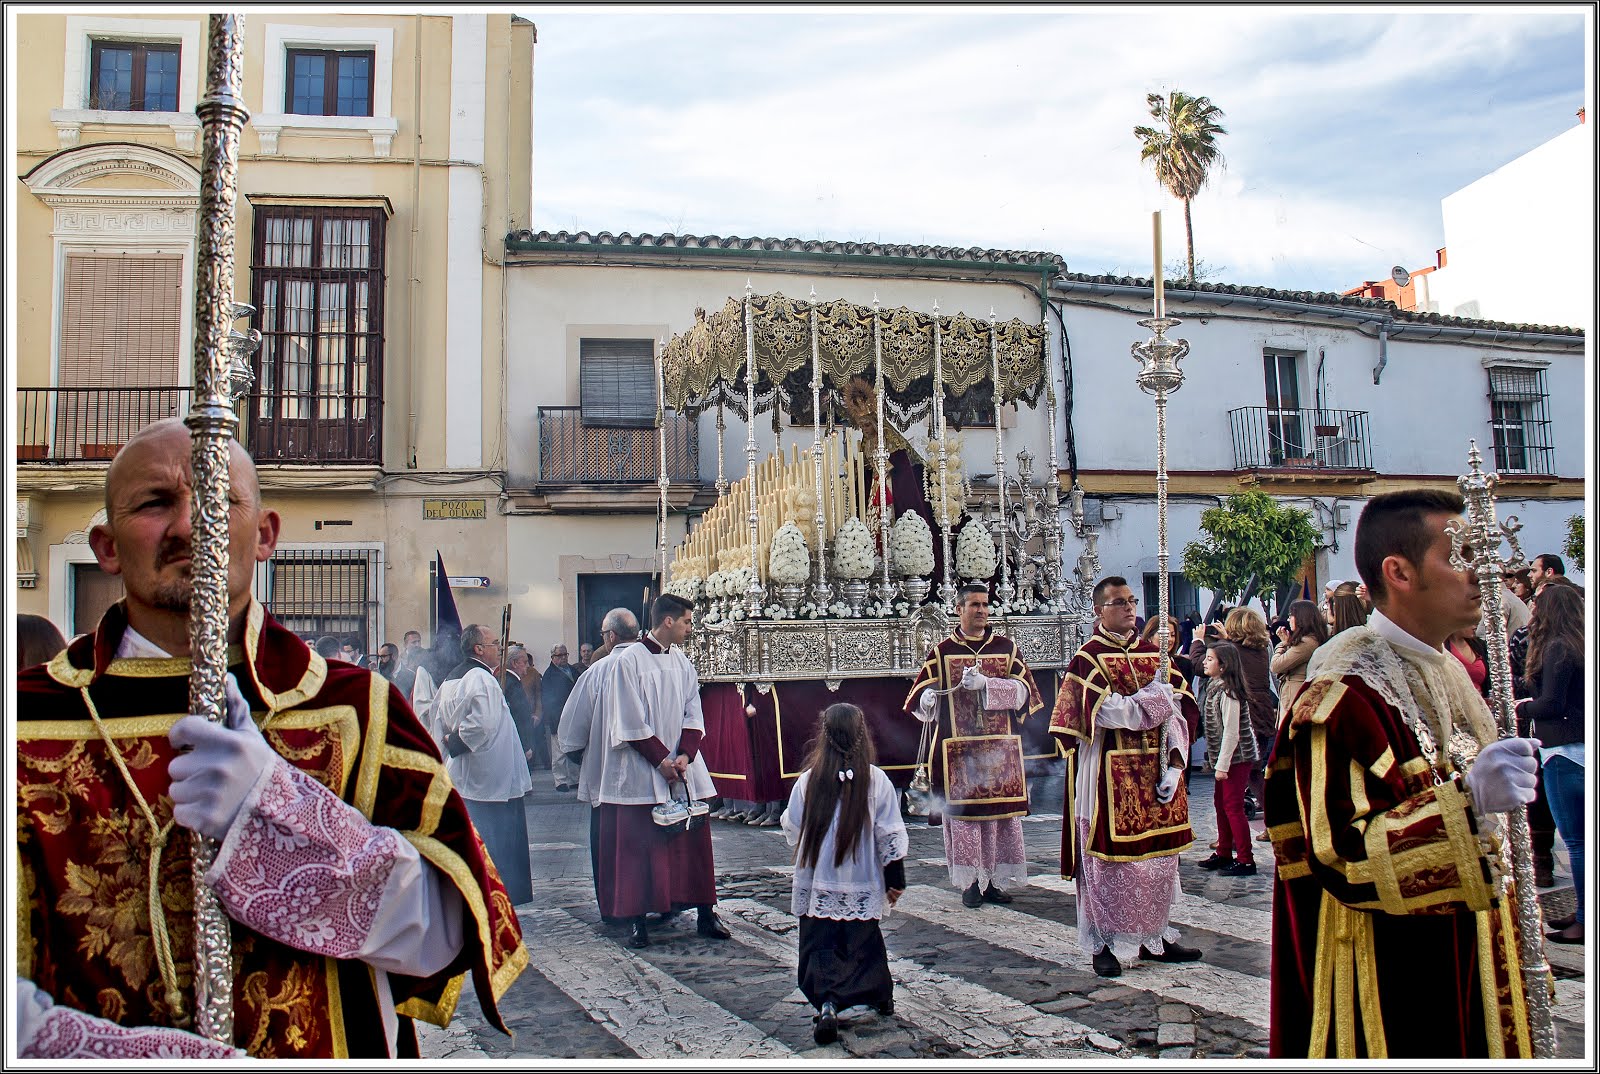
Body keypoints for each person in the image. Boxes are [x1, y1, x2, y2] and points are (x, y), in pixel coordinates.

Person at [15, 418, 525, 1058]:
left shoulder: (354, 708)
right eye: (155, 503)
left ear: (265, 535)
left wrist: (280, 817)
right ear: (107, 546)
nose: (188, 525)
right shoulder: (26, 721)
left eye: (218, 498)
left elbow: (444, 933)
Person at [1265, 489, 1541, 1057]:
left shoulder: (1449, 673)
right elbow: (1340, 854)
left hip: (1476, 957)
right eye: (1462, 555)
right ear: (1399, 571)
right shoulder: (1343, 695)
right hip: (1396, 981)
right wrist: (1465, 804)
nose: (1484, 572)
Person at [1050, 576, 1203, 978]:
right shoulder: (1088, 658)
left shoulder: (1156, 655)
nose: (1130, 608)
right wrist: (1153, 701)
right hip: (1105, 773)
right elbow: (1106, 712)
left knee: (1158, 862)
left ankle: (1157, 935)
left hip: (1154, 774)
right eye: (1119, 602)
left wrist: (1175, 764)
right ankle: (1102, 942)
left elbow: (1179, 716)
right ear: (1100, 610)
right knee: (1106, 865)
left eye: (1133, 600)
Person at [594, 593, 729, 949]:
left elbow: (693, 711)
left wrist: (685, 755)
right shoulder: (629, 662)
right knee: (639, 845)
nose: (690, 628)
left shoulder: (682, 661)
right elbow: (629, 718)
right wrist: (661, 761)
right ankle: (637, 918)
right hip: (643, 768)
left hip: (680, 768)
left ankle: (705, 912)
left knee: (694, 845)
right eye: (686, 621)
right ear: (668, 621)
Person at [904, 583, 1042, 909]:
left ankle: (994, 879)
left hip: (998, 749)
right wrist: (927, 698)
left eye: (985, 604)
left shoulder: (1005, 648)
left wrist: (989, 685)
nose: (981, 610)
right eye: (974, 605)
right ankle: (969, 882)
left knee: (999, 818)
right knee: (966, 818)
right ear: (959, 609)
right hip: (959, 752)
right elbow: (922, 697)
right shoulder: (943, 651)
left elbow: (1026, 694)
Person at [782, 702, 909, 1046]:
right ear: (861, 735)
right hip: (861, 881)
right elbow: (890, 835)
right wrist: (895, 879)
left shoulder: (809, 781)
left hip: (818, 879)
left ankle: (826, 1003)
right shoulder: (876, 780)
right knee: (862, 941)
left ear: (824, 736)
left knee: (820, 943)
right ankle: (879, 995)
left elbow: (792, 826)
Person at [434, 624, 536, 906]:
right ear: (478, 649)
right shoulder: (481, 678)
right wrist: (455, 742)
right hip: (490, 778)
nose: (499, 649)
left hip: (469, 775)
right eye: (494, 644)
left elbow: (437, 718)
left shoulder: (451, 678)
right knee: (496, 841)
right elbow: (481, 725)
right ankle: (496, 896)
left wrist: (448, 741)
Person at [557, 608, 642, 918]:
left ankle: (615, 906)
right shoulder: (657, 666)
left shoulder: (598, 671)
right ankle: (657, 903)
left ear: (610, 636)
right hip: (653, 777)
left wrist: (578, 755)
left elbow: (571, 729)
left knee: (610, 847)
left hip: (607, 776)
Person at [1515, 582, 1585, 944]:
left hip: (1563, 750)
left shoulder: (1558, 647)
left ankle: (1586, 920)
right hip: (1582, 747)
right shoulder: (1581, 642)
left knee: (1576, 842)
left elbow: (1552, 704)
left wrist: (1521, 706)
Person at [1195, 641, 1260, 876]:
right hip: (1225, 758)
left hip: (1236, 758)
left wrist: (1222, 765)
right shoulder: (1214, 688)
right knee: (1221, 805)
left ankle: (1245, 858)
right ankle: (1223, 851)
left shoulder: (1229, 693)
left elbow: (1232, 732)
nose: (1205, 662)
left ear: (1223, 666)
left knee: (1233, 806)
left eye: (1210, 659)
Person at [1224, 607, 1276, 821]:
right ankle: (1273, 818)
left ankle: (1242, 821)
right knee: (1253, 770)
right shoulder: (1263, 648)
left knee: (1241, 771)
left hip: (1245, 713)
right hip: (1262, 710)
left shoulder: (1233, 650)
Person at [1271, 599, 1327, 723]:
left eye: (1291, 615)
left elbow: (1276, 666)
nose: (1288, 619)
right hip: (1295, 696)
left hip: (1295, 696)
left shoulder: (1306, 643)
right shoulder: (1312, 639)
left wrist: (1282, 644)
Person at [542, 643, 581, 789]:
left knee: (574, 748)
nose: (564, 658)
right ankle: (561, 780)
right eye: (560, 655)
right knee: (559, 752)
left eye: (565, 654)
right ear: (553, 657)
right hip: (558, 717)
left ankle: (574, 778)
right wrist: (552, 720)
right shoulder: (549, 675)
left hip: (573, 717)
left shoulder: (572, 670)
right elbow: (547, 700)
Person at [503, 643, 541, 774]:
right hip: (516, 743)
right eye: (524, 662)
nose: (528, 666)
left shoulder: (508, 680)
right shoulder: (512, 684)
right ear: (514, 663)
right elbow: (519, 717)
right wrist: (526, 746)